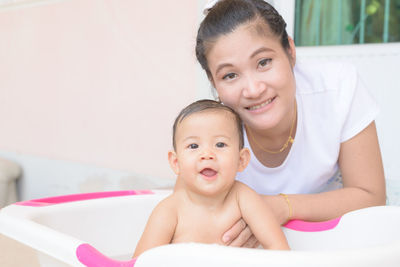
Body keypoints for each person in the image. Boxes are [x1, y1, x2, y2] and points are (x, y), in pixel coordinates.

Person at [196, 0, 386, 248]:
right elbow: (184, 209)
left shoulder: (338, 88)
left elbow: (372, 196)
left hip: (332, 235)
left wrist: (282, 206)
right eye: (230, 75)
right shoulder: (207, 127)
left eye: (264, 62)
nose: (253, 90)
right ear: (214, 82)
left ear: (290, 51)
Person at [133, 100, 290, 258]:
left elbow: (279, 249)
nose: (207, 154)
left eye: (220, 144)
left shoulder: (245, 200)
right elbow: (141, 261)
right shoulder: (169, 211)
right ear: (176, 162)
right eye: (194, 146)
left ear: (241, 160)